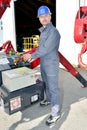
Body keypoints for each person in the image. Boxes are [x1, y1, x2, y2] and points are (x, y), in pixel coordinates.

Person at [23, 5, 61, 125]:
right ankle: (49, 100)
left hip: (51, 63)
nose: (43, 18)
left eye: (46, 16)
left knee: (53, 88)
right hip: (44, 63)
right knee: (46, 84)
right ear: (39, 18)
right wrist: (31, 54)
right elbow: (40, 48)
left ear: (50, 16)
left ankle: (55, 113)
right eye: (41, 16)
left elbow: (46, 48)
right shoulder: (43, 31)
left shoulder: (54, 32)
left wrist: (31, 56)